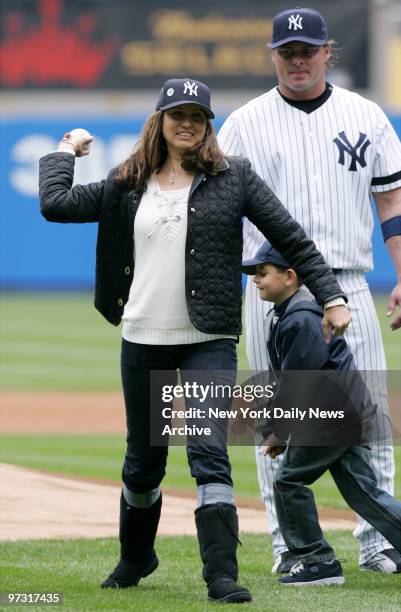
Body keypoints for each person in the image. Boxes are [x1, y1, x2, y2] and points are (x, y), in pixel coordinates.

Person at [39, 77, 350, 603]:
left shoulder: (235, 178)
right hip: (141, 336)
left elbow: (295, 239)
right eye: (177, 114)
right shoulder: (126, 181)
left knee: (209, 455)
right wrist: (65, 150)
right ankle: (136, 558)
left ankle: (221, 575)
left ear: (208, 126)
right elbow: (55, 203)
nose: (188, 123)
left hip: (206, 338)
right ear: (158, 121)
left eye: (198, 116)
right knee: (143, 461)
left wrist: (334, 297)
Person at [218, 7, 401, 574]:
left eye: (308, 49)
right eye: (287, 51)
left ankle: (380, 545)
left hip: (348, 282)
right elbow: (221, 213)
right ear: (274, 55)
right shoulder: (244, 123)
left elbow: (391, 203)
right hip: (270, 289)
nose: (298, 59)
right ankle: (292, 548)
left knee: (369, 418)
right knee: (279, 418)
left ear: (328, 52)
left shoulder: (366, 115)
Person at [241, 241, 401, 586]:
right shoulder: (293, 313)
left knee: (288, 481)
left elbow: (301, 382)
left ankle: (318, 562)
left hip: (330, 418)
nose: (255, 279)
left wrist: (279, 432)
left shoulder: (300, 318)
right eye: (254, 273)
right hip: (344, 413)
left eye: (263, 272)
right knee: (364, 492)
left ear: (290, 276)